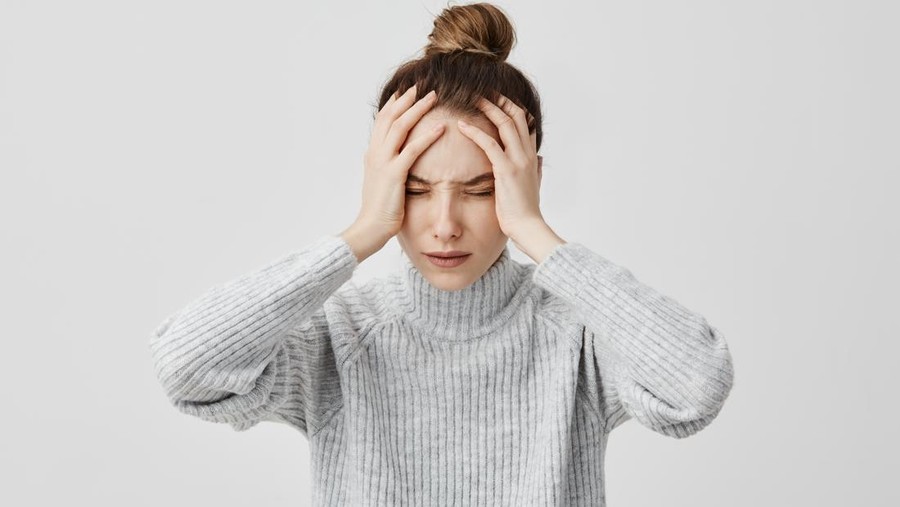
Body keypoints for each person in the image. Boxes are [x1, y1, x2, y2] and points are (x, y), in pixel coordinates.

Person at [149, 3, 735, 505]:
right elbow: (185, 367)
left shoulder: (576, 336)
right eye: (416, 190)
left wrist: (535, 231)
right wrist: (362, 232)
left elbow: (697, 385)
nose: (446, 226)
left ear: (526, 182)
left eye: (480, 191)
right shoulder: (343, 336)